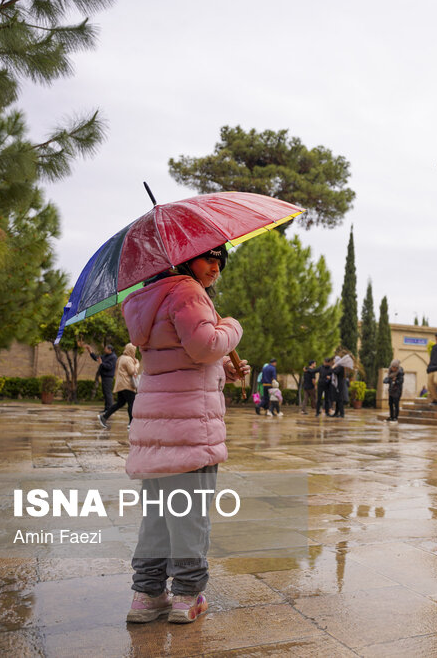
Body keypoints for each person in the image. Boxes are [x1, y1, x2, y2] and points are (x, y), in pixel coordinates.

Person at [121, 244, 248, 624]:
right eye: (209, 258)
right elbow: (204, 344)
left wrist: (225, 368)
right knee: (190, 515)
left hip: (157, 428)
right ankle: (187, 596)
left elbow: (176, 357)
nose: (215, 267)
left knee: (158, 514)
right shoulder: (188, 291)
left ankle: (146, 595)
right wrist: (232, 327)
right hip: (190, 427)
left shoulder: (147, 298)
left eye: (220, 261)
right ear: (183, 258)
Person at [98, 343, 140, 429]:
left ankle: (104, 417)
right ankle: (131, 423)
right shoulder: (128, 359)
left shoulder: (121, 358)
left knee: (120, 403)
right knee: (132, 403)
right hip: (127, 384)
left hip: (120, 384)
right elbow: (132, 371)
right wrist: (137, 364)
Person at [84, 342, 117, 412]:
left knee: (108, 393)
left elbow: (109, 366)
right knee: (105, 392)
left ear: (110, 349)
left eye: (106, 349)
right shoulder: (105, 356)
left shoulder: (113, 357)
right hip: (104, 376)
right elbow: (97, 358)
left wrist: (102, 364)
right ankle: (106, 408)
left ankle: (110, 409)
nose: (104, 350)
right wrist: (90, 351)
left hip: (108, 377)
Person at [333, 349, 353, 417]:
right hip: (339, 385)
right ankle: (336, 413)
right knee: (338, 400)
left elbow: (335, 372)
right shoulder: (339, 366)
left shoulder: (340, 367)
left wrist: (333, 368)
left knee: (340, 400)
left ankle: (342, 413)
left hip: (340, 385)